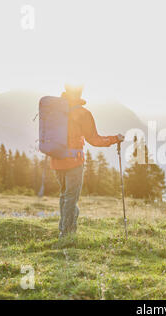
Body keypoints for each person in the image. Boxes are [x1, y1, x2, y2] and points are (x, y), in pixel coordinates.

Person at [52, 84, 124, 238]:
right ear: (79, 93)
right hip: (73, 161)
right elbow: (94, 140)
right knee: (70, 196)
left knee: (65, 195)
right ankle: (66, 234)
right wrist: (114, 139)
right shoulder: (82, 113)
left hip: (56, 159)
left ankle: (66, 229)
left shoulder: (55, 110)